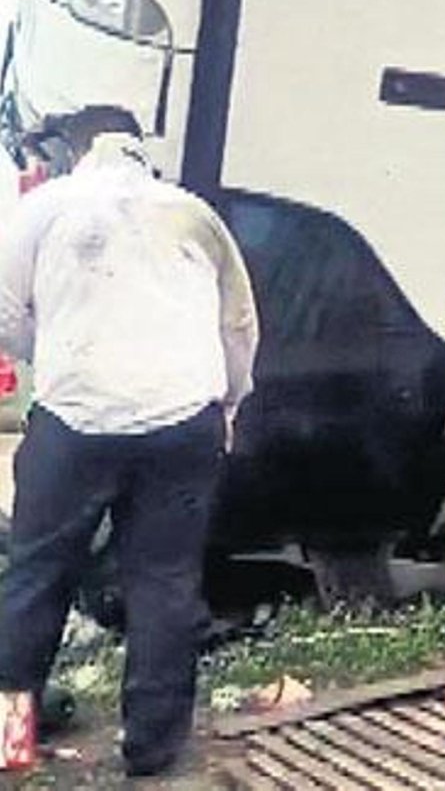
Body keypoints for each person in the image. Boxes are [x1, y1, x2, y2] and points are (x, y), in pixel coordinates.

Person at [0, 105, 258, 776]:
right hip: (183, 422)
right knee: (165, 582)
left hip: (74, 423)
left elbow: (5, 314)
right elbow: (238, 325)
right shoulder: (194, 214)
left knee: (35, 577)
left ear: (76, 150)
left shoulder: (44, 208)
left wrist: (56, 353)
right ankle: (151, 750)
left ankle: (8, 739)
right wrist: (230, 400)